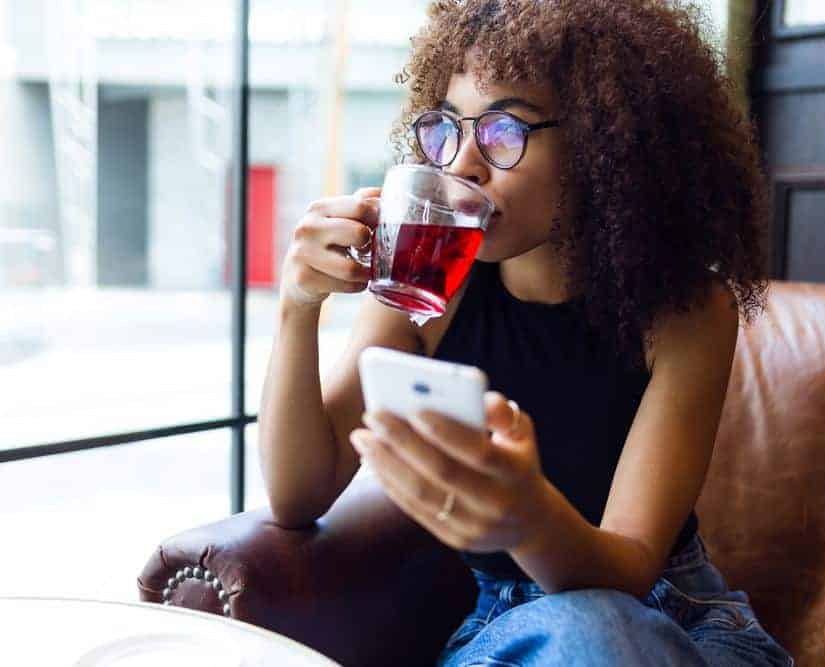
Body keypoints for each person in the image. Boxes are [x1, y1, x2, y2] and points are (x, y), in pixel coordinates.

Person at [259, 0, 793, 664]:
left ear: (606, 143)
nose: (463, 165)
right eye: (447, 127)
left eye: (505, 130)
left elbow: (628, 572)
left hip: (677, 620)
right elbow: (297, 493)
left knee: (593, 632)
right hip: (509, 627)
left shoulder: (687, 312)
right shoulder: (431, 282)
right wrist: (298, 305)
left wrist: (526, 515)